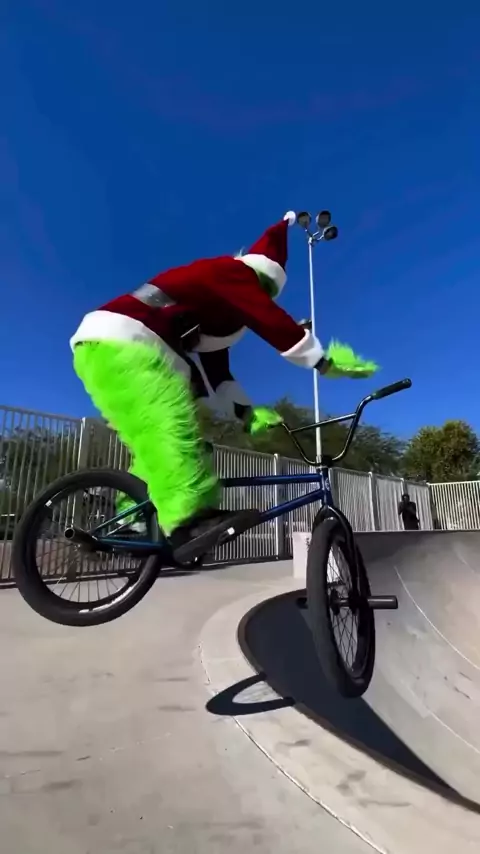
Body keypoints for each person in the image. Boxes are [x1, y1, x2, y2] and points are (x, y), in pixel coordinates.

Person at [70, 211, 379, 561]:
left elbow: (219, 374)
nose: (262, 297)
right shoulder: (232, 273)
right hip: (123, 341)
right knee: (172, 433)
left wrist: (246, 413)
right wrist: (321, 361)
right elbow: (266, 317)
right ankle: (188, 520)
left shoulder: (213, 310)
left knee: (172, 443)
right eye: (264, 290)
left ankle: (133, 518)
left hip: (124, 349)